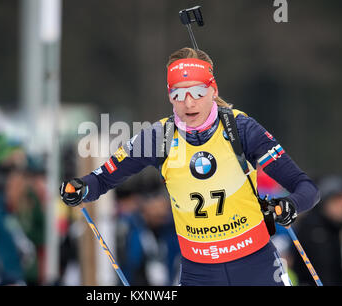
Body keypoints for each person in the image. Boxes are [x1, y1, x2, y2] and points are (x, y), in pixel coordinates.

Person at [60, 47, 320, 286]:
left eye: (197, 92)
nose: (188, 102)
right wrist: (81, 187)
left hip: (256, 264)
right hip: (199, 271)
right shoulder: (158, 137)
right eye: (178, 94)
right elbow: (102, 178)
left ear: (213, 90)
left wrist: (291, 205)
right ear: (170, 97)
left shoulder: (240, 129)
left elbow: (306, 187)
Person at [292, 175, 342, 286]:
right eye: (339, 203)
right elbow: (321, 271)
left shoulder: (334, 227)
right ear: (327, 202)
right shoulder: (314, 229)